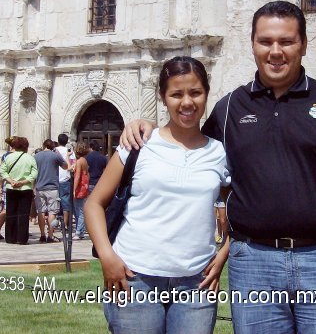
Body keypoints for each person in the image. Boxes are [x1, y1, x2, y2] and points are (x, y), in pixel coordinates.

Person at [121, 1, 316, 334]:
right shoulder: (230, 108)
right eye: (266, 41)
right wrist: (147, 123)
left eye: (286, 41)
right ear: (252, 45)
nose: (276, 51)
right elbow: (189, 145)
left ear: (303, 44)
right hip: (253, 263)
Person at [86, 56, 230, 334]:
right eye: (176, 94)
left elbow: (240, 206)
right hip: (135, 276)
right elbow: (94, 203)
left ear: (206, 94)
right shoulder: (139, 144)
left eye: (195, 92)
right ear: (163, 98)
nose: (187, 102)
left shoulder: (219, 152)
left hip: (196, 282)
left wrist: (223, 253)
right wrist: (107, 256)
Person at [0, 136, 37, 245]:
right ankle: (22, 238)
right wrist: (23, 182)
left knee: (11, 212)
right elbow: (34, 174)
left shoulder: (9, 157)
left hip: (11, 188)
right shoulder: (30, 158)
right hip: (25, 188)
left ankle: (10, 237)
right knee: (24, 214)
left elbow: (2, 171)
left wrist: (11, 181)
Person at [34, 139, 68, 243]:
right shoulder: (55, 155)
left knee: (41, 211)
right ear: (53, 146)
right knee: (52, 211)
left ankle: (42, 234)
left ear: (43, 145)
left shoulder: (36, 156)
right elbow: (66, 166)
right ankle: (50, 234)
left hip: (39, 187)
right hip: (52, 187)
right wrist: (59, 155)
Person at [55, 133, 75, 229]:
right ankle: (66, 224)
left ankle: (53, 224)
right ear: (67, 141)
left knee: (54, 202)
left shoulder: (54, 151)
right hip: (65, 179)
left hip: (54, 179)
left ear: (58, 141)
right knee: (65, 201)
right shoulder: (69, 152)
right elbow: (72, 165)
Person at [72, 141, 89, 240]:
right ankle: (81, 230)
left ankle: (78, 231)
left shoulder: (79, 161)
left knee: (79, 210)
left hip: (80, 187)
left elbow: (77, 176)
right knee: (79, 209)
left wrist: (74, 189)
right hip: (84, 186)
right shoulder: (84, 160)